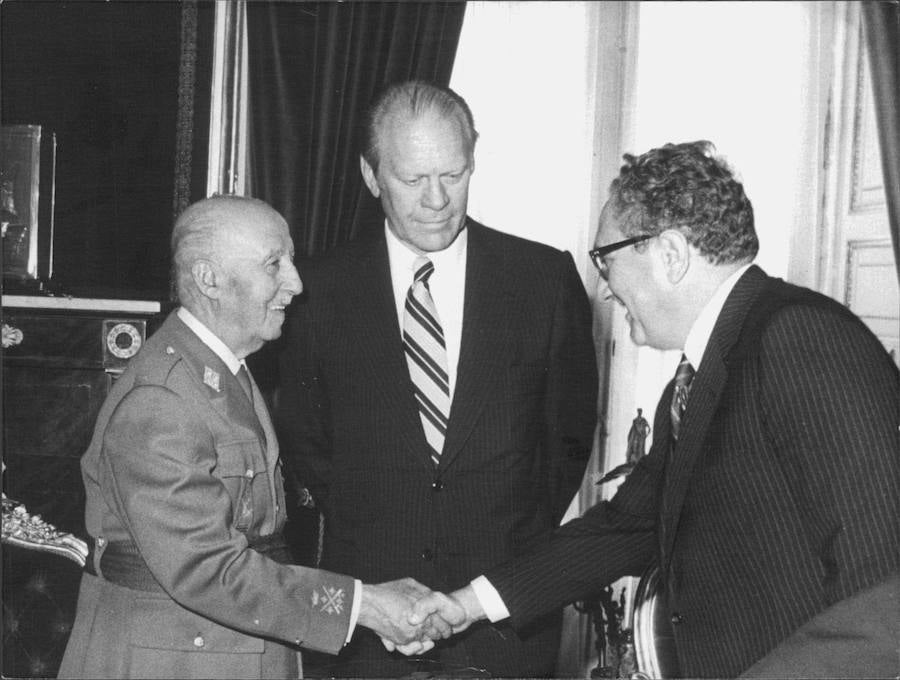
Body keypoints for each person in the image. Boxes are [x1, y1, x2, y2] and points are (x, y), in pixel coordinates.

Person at [411, 141, 900, 678]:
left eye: (607, 258)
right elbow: (626, 527)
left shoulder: (799, 337)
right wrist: (467, 605)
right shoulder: (703, 372)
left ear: (670, 254)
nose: (602, 289)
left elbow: (884, 591)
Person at [276, 80, 598, 677]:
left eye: (453, 174)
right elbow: (304, 443)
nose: (436, 199)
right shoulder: (314, 292)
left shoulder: (544, 281)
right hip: (365, 628)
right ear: (372, 177)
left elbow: (568, 441)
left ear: (473, 163)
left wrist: (500, 564)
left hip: (503, 626)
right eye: (412, 179)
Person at [58, 195, 453, 680]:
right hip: (171, 660)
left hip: (225, 648)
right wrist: (361, 606)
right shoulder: (161, 402)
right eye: (274, 264)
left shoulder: (223, 373)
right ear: (209, 280)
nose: (296, 282)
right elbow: (206, 568)